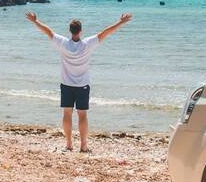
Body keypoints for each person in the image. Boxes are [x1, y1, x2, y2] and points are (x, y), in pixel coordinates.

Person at [25, 10, 132, 152]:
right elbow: (106, 32)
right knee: (82, 115)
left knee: (67, 113)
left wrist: (35, 21)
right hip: (82, 86)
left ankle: (69, 144)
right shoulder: (87, 44)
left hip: (66, 85)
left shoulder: (63, 43)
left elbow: (48, 32)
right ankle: (83, 145)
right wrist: (121, 22)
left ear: (70, 31)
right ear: (81, 31)